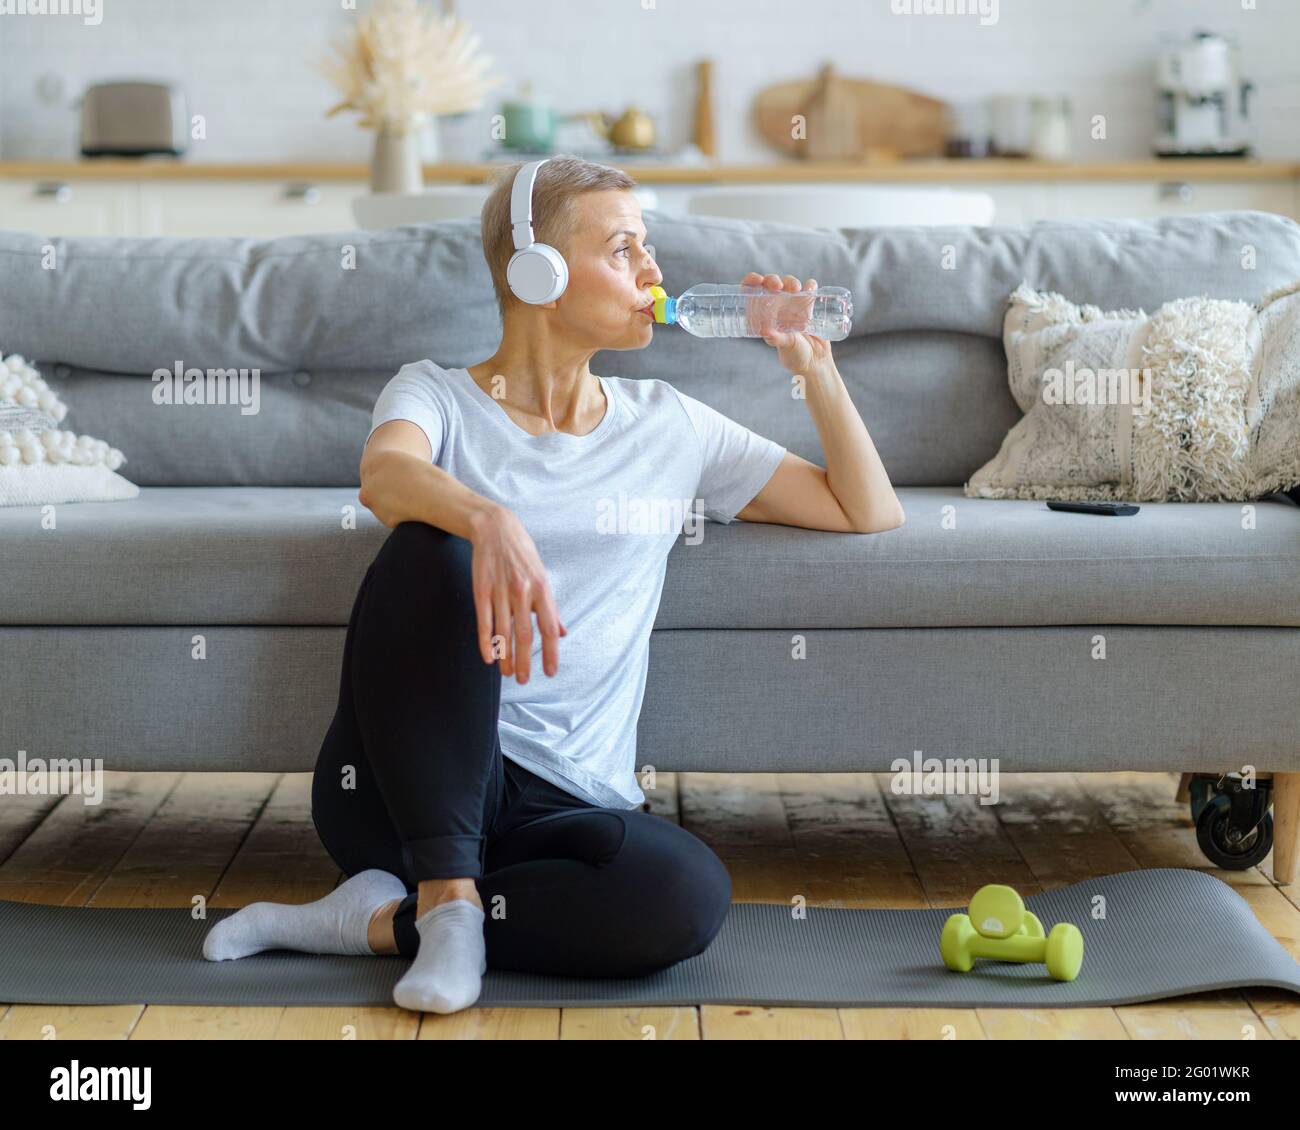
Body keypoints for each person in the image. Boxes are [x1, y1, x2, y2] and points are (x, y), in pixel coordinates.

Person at [202, 154, 904, 1014]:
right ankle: (450, 899)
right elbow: (384, 477)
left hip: (563, 811)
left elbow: (864, 508)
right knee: (432, 544)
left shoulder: (671, 426)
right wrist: (487, 520)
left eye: (648, 249)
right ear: (537, 270)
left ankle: (381, 922)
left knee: (685, 896)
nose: (652, 273)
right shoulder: (437, 396)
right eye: (622, 250)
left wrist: (813, 365)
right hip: (401, 794)